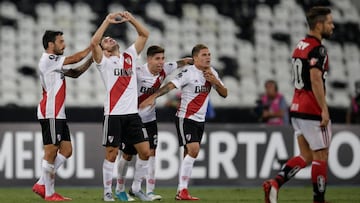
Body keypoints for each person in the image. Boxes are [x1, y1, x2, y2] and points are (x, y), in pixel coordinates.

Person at [263, 7, 334, 203]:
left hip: (296, 108)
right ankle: (319, 199)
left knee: (306, 155)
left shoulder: (300, 45)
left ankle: (274, 184)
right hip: (312, 109)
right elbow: (316, 79)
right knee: (321, 155)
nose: (332, 26)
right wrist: (324, 109)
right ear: (319, 25)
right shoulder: (318, 49)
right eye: (329, 22)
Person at [140, 44, 228, 200]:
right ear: (195, 58)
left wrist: (215, 81)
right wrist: (152, 97)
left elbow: (224, 94)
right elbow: (170, 86)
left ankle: (182, 191)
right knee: (194, 149)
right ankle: (182, 190)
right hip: (185, 117)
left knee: (189, 153)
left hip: (200, 119)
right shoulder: (188, 72)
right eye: (204, 55)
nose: (208, 57)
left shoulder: (211, 72)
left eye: (209, 54)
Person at [115, 45, 193, 201]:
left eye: (163, 58)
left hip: (150, 119)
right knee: (128, 155)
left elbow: (180, 62)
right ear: (149, 59)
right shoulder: (137, 73)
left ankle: (145, 190)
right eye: (157, 59)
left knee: (151, 153)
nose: (161, 62)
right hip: (133, 119)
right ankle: (119, 188)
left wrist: (193, 60)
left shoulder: (165, 69)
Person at [90, 11, 151, 202]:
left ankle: (135, 188)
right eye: (105, 40)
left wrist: (131, 19)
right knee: (111, 154)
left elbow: (144, 35)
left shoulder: (130, 56)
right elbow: (94, 43)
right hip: (113, 114)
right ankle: (108, 192)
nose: (108, 39)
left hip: (132, 114)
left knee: (145, 152)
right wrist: (106, 21)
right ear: (104, 50)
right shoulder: (103, 62)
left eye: (110, 38)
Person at [32, 30, 93, 201]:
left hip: (58, 113)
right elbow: (75, 58)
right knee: (50, 151)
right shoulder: (48, 60)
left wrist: (92, 59)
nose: (63, 45)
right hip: (50, 112)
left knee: (66, 150)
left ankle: (41, 183)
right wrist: (93, 46)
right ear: (50, 44)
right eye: (60, 41)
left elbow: (75, 72)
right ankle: (49, 194)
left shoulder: (55, 64)